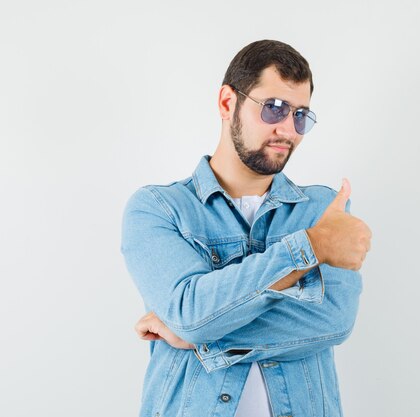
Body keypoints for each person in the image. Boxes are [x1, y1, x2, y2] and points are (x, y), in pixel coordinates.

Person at [121, 39, 372, 417]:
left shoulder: (323, 209)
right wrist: (312, 246)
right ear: (227, 103)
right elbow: (191, 312)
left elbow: (333, 321)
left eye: (301, 115)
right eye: (274, 109)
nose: (288, 130)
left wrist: (201, 339)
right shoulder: (159, 208)